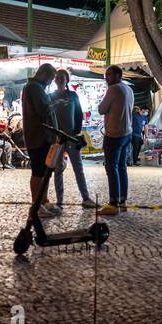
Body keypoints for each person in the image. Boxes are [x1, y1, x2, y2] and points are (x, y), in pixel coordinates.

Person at [21, 63, 60, 218]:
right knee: (38, 171)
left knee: (44, 171)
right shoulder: (34, 88)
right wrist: (54, 104)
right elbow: (43, 110)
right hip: (39, 136)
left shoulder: (34, 88)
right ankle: (37, 204)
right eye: (51, 78)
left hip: (41, 136)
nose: (50, 82)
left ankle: (43, 201)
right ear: (44, 75)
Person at [51, 69, 95, 208]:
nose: (59, 79)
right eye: (57, 77)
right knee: (58, 170)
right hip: (57, 138)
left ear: (67, 80)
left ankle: (86, 197)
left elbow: (78, 113)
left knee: (78, 168)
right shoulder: (50, 96)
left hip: (72, 136)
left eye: (61, 77)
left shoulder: (73, 95)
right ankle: (59, 200)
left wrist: (76, 131)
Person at [97, 65, 134, 215]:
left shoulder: (113, 89)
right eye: (106, 75)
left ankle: (113, 203)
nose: (106, 78)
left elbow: (101, 109)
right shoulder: (129, 89)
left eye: (109, 75)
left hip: (114, 134)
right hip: (127, 133)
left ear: (119, 75)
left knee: (111, 168)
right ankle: (122, 201)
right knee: (121, 167)